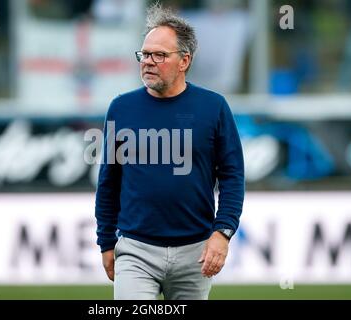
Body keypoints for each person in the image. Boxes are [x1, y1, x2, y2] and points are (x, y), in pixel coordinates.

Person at [95, 3, 245, 300]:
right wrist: (106, 242)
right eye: (144, 54)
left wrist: (223, 232)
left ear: (184, 61)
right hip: (136, 250)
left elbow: (232, 177)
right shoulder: (121, 108)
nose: (148, 61)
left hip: (195, 253)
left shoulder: (213, 107)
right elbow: (108, 182)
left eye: (159, 55)